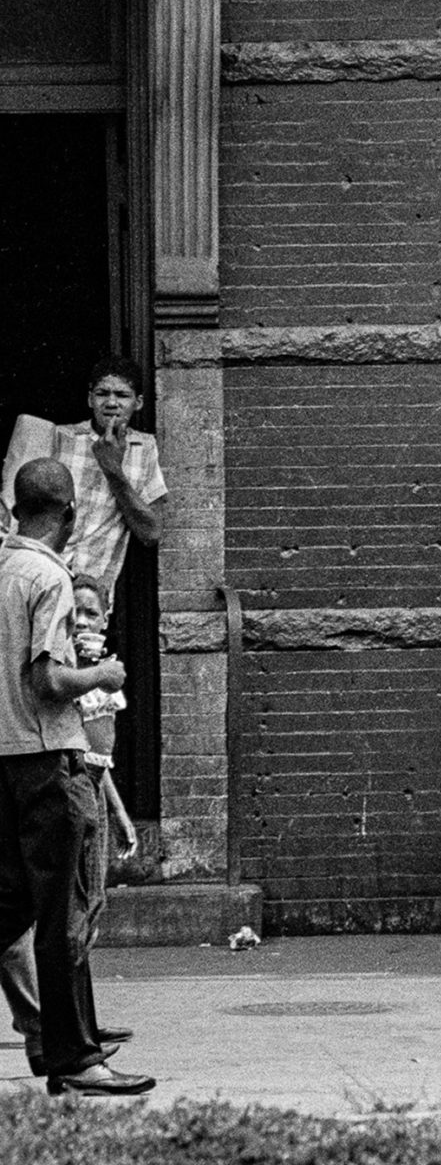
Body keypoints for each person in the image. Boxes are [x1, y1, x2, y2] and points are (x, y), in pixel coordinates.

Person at [0, 457, 151, 1095]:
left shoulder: (2, 568)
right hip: (44, 757)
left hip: (3, 758)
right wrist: (104, 677)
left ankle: (65, 1046)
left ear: (13, 510)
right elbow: (49, 680)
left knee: (9, 906)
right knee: (61, 917)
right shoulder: (49, 578)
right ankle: (75, 1058)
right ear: (67, 516)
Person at [3, 358, 168, 600]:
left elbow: (151, 532)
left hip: (90, 594)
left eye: (122, 395)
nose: (111, 403)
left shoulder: (144, 448)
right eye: (103, 393)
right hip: (40, 578)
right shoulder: (60, 437)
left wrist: (112, 469)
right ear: (90, 399)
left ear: (138, 402)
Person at [70, 580, 137, 952]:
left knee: (96, 897)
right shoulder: (67, 675)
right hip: (73, 788)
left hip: (94, 787)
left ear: (105, 621)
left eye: (90, 614)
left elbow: (99, 757)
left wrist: (120, 812)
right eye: (74, 613)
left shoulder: (107, 673)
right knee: (80, 899)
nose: (81, 622)